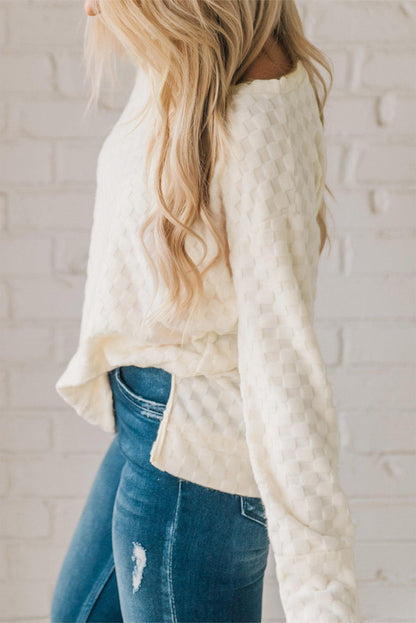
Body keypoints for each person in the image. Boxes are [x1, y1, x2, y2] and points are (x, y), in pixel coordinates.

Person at [51, 1, 362, 622]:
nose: (90, 8)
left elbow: (283, 363)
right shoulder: (189, 65)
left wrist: (323, 599)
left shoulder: (257, 118)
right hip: (147, 421)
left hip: (194, 463)